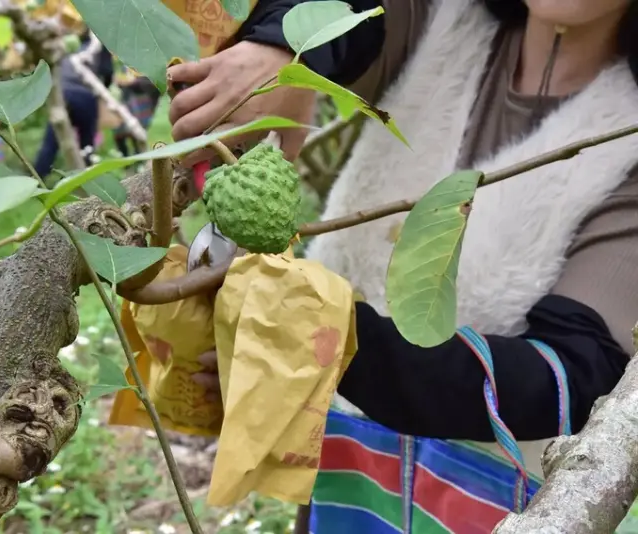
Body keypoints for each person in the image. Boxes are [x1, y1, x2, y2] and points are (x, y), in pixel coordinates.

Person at [168, 0, 638, 531]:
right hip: (342, 481)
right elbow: (341, 15)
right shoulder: (438, 18)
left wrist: (335, 342)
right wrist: (282, 52)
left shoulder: (626, 137)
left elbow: (573, 374)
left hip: (498, 507)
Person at [33, 32, 114, 177]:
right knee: (87, 144)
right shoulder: (100, 45)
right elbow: (107, 72)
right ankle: (87, 182)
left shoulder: (65, 41)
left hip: (63, 93)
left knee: (51, 141)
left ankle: (36, 179)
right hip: (86, 95)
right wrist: (100, 91)